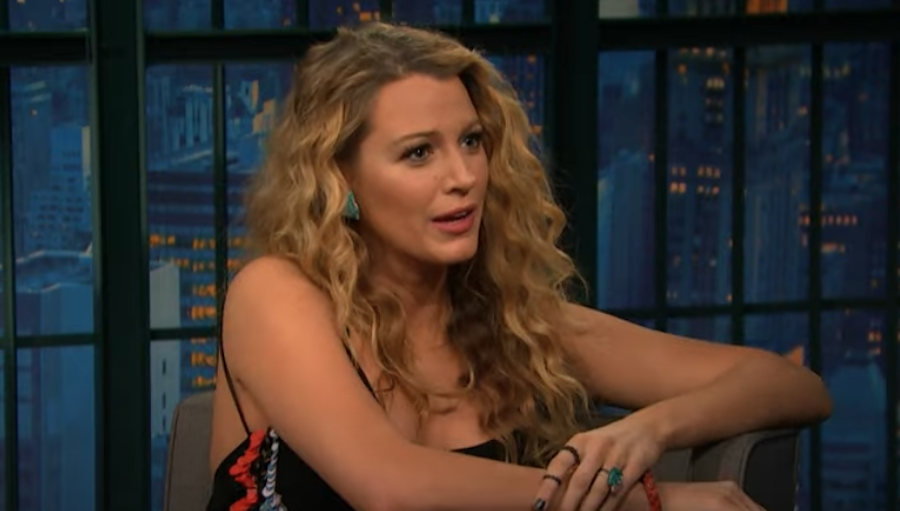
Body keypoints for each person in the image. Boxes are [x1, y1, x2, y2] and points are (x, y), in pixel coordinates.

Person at [206, 21, 831, 511]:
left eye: (471, 141)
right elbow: (386, 486)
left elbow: (792, 385)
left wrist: (650, 430)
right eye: (419, 153)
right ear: (339, 178)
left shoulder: (520, 326)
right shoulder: (274, 294)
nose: (463, 176)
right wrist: (653, 500)